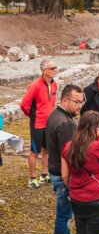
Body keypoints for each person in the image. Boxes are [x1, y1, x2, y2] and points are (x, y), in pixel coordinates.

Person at [46, 84, 84, 234]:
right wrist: (69, 179)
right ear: (65, 100)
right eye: (77, 102)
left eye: (81, 102)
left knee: (65, 213)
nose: (80, 106)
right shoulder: (65, 123)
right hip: (62, 175)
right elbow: (68, 156)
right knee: (64, 215)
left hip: (56, 171)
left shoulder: (56, 115)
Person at [20, 59, 58, 188]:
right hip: (37, 124)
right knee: (34, 152)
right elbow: (24, 104)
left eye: (55, 68)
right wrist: (32, 115)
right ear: (44, 70)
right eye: (52, 68)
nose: (55, 70)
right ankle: (32, 179)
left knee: (46, 151)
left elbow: (52, 103)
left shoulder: (54, 84)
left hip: (49, 124)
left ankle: (44, 174)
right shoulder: (35, 85)